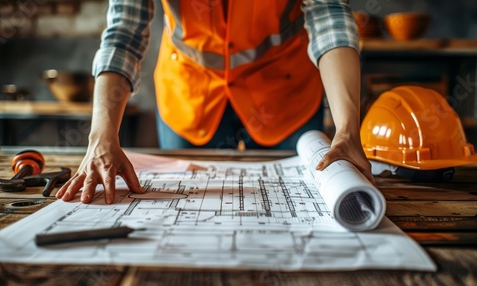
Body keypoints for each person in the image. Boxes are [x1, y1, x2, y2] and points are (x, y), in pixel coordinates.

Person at [56, 0, 374, 204]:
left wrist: (347, 129)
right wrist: (101, 135)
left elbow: (329, 16)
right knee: (185, 205)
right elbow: (124, 33)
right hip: (191, 93)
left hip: (282, 91)